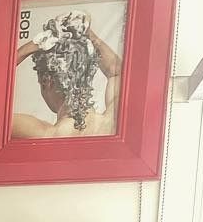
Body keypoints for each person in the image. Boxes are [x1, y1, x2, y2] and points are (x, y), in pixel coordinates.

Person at [12, 10, 122, 139]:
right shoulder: (110, 122)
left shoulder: (45, 134)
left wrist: (31, 46)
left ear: (46, 81)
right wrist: (88, 35)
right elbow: (118, 72)